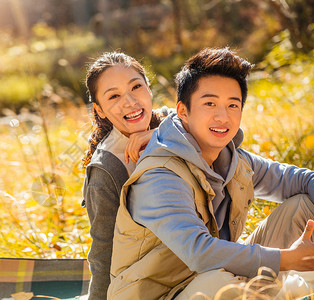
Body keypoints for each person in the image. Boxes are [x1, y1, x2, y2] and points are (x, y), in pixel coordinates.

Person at [107, 47, 314, 299]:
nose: (222, 116)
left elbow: (301, 180)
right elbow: (200, 253)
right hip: (161, 293)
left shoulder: (234, 160)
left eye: (232, 105)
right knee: (221, 282)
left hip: (217, 277)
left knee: (303, 206)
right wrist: (287, 259)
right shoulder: (160, 175)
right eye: (209, 103)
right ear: (182, 111)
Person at [81, 52, 170, 300]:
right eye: (114, 96)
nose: (130, 102)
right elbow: (103, 251)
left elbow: (232, 135)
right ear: (99, 110)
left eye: (136, 87)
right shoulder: (108, 169)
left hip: (204, 253)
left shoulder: (172, 123)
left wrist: (160, 137)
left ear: (149, 89)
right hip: (147, 283)